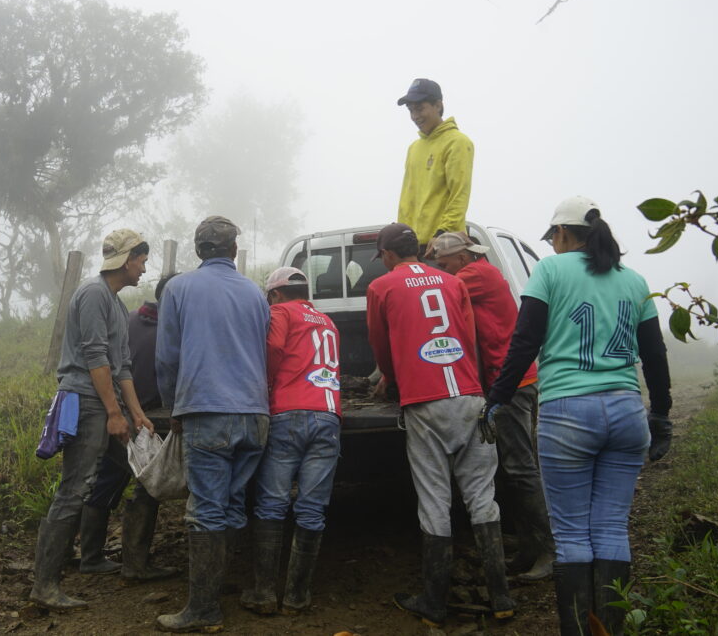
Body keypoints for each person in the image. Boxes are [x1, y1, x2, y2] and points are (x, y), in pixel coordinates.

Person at [483, 196, 673, 636]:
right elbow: (655, 355)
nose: (551, 245)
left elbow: (525, 341)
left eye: (553, 237)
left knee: (571, 536)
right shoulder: (635, 280)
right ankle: (610, 629)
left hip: (568, 412)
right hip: (627, 412)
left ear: (564, 234)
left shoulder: (550, 271)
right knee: (611, 528)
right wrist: (660, 413)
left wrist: (497, 397)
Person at [367, 223, 515, 628]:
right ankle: (501, 596)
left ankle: (434, 601)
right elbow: (467, 337)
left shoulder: (382, 287)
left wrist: (389, 377)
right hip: (470, 396)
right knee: (483, 497)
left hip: (425, 403)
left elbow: (380, 344)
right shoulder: (453, 282)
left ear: (387, 254)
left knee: (434, 499)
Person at [30, 229, 162, 611]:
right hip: (87, 401)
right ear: (125, 260)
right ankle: (45, 585)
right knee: (75, 487)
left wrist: (137, 415)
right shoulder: (91, 294)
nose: (143, 266)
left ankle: (111, 561)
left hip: (106, 401)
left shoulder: (117, 305)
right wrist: (114, 413)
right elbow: (95, 358)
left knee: (136, 472)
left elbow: (123, 366)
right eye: (140, 258)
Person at [155, 216, 271, 633]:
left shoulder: (179, 288)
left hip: (207, 412)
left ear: (199, 250)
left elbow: (167, 356)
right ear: (233, 250)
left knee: (206, 509)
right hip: (255, 415)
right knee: (235, 502)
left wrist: (173, 407)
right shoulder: (256, 292)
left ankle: (203, 609)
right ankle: (221, 588)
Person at [431, 232, 555, 582]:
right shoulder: (476, 272)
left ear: (463, 258)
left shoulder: (477, 275)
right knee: (511, 468)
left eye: (443, 264)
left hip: (511, 383)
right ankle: (530, 548)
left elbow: (436, 292)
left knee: (521, 467)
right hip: (507, 383)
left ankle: (550, 550)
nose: (440, 269)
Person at [240, 267, 342, 617]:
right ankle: (298, 596)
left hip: (289, 413)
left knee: (271, 503)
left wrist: (266, 384)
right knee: (313, 508)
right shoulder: (327, 322)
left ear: (275, 295)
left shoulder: (280, 312)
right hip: (329, 414)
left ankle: (265, 593)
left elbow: (273, 347)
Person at [77, 274, 180, 582]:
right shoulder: (175, 329)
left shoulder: (131, 318)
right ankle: (135, 564)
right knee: (149, 483)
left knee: (106, 480)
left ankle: (91, 556)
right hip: (145, 417)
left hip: (116, 411)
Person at [396, 78, 474, 256]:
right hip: (413, 249)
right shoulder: (414, 148)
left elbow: (459, 194)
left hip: (443, 247)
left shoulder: (458, 142)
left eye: (420, 108)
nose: (415, 116)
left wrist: (442, 233)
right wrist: (401, 237)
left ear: (438, 105)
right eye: (411, 110)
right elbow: (407, 199)